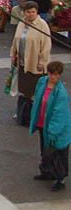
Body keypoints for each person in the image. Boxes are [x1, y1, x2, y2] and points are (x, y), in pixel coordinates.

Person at [30, 61, 71, 191]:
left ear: (59, 75)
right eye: (51, 73)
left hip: (57, 130)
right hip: (43, 125)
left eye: (55, 74)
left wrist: (53, 132)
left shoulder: (61, 93)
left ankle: (60, 179)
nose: (52, 76)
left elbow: (59, 115)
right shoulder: (42, 82)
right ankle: (46, 172)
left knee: (59, 154)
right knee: (45, 151)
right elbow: (37, 99)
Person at [11, 1, 52, 126]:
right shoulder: (22, 23)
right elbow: (16, 40)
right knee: (24, 90)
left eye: (33, 12)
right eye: (28, 12)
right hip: (23, 63)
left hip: (35, 64)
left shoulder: (42, 25)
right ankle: (23, 113)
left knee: (35, 91)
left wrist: (43, 62)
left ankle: (34, 116)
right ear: (24, 12)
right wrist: (13, 54)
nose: (31, 14)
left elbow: (46, 45)